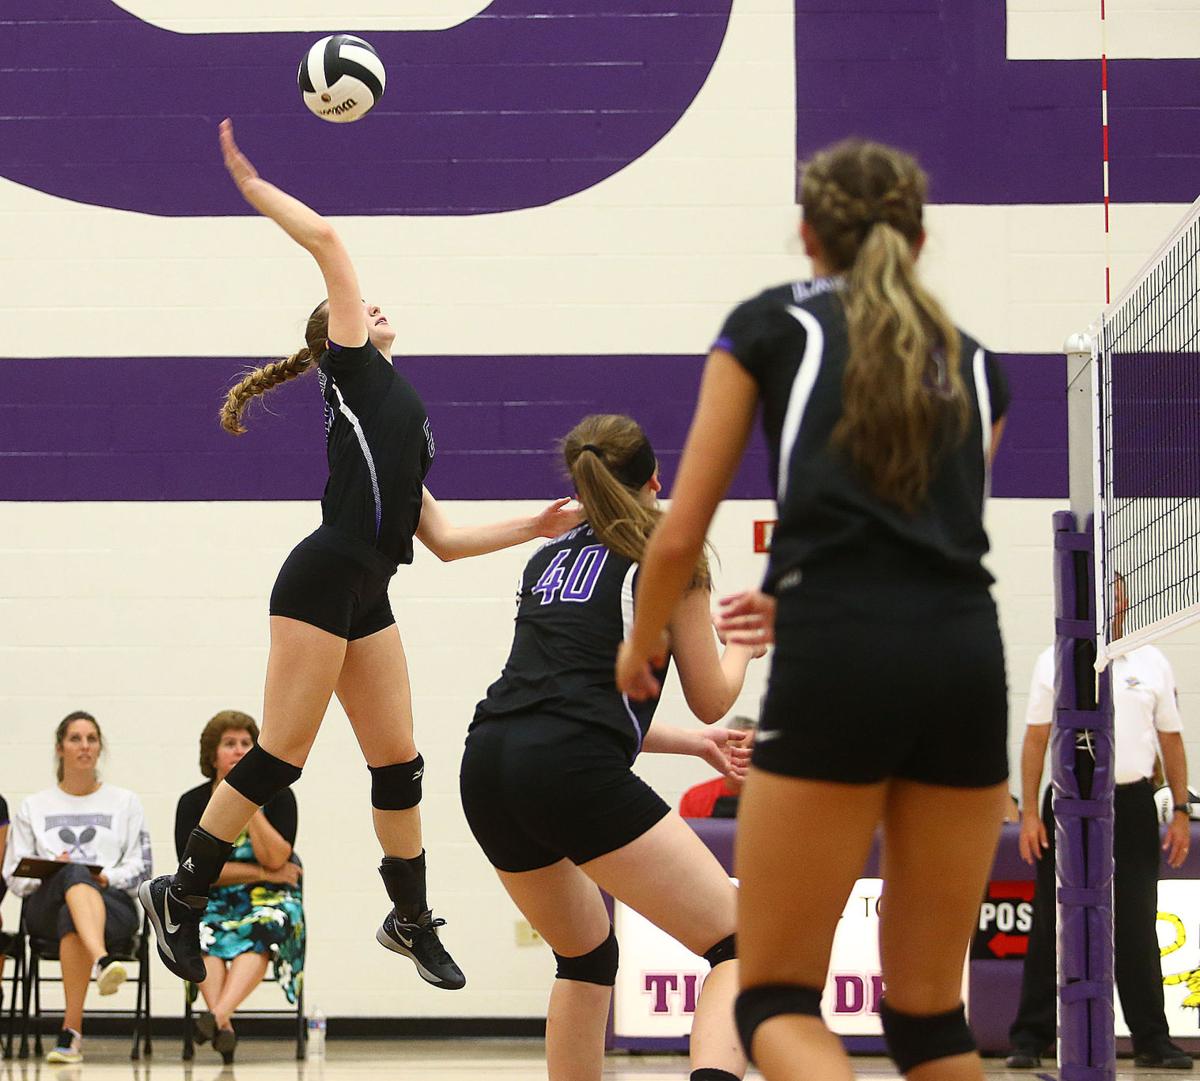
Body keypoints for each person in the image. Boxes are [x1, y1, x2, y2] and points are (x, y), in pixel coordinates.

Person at [139, 119, 580, 994]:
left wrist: (534, 525)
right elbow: (329, 241)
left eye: (373, 305)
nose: (374, 305)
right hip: (322, 573)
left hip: (369, 588)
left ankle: (407, 915)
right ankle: (181, 895)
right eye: (360, 306)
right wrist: (252, 185)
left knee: (400, 763)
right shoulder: (352, 367)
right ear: (335, 336)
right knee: (279, 759)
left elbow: (443, 540)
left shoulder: (407, 416)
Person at [617, 138, 1012, 1081]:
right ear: (919, 239)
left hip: (840, 661)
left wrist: (639, 644)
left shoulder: (769, 327)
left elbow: (676, 535)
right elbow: (927, 547)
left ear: (807, 234)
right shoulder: (982, 365)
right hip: (966, 660)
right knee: (928, 1019)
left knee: (777, 999)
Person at [460, 414, 764, 1081]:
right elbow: (712, 694)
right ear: (657, 480)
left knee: (586, 954)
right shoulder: (668, 548)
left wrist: (692, 743)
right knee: (744, 944)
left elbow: (566, 698)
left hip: (487, 762)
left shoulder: (550, 554)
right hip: (565, 765)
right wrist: (742, 644)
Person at [1006, 575, 1193, 1070]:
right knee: (1051, 922)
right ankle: (1029, 1038)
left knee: (1135, 922)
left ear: (1123, 600)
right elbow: (1035, 739)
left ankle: (1152, 1039)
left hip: (1127, 804)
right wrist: (1028, 813)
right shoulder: (1054, 659)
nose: (1104, 604)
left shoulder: (1150, 661)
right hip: (1066, 804)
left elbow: (1171, 740)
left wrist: (1180, 809)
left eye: (1111, 594)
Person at [1, 712, 152, 1064]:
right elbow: (15, 876)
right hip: (46, 906)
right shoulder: (34, 806)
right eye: (75, 739)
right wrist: (54, 869)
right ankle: (102, 960)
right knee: (70, 875)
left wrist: (104, 878)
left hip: (111, 904)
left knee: (76, 897)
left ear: (100, 748)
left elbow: (142, 868)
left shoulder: (125, 802)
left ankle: (70, 1035)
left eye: (91, 738)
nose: (84, 746)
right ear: (60, 748)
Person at [176, 710, 305, 1064]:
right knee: (201, 931)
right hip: (210, 897)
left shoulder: (281, 797)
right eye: (229, 744)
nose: (238, 751)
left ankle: (216, 1017)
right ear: (212, 754)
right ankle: (224, 1024)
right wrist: (262, 873)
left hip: (269, 901)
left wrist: (248, 806)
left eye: (246, 744)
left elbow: (279, 858)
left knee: (265, 925)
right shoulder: (192, 803)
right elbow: (197, 872)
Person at [680, 716, 758, 819]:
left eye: (751, 747)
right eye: (736, 747)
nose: (743, 753)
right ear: (721, 750)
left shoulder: (777, 797)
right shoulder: (694, 798)